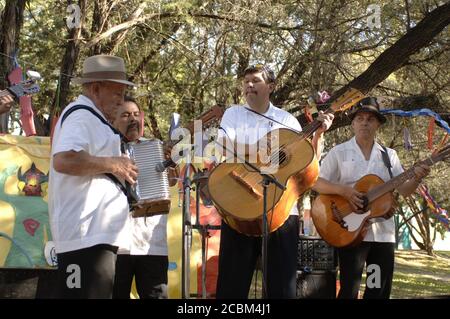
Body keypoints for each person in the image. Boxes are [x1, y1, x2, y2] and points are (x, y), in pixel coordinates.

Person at [215, 64, 334, 299]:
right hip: (240, 204)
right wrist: (260, 150)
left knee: (282, 289)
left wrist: (318, 134)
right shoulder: (233, 114)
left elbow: (308, 167)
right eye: (246, 80)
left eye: (255, 80)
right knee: (231, 286)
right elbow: (222, 148)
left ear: (270, 87)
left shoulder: (287, 119)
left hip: (281, 212)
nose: (249, 85)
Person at [313, 97, 430, 299]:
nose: (365, 122)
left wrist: (417, 177)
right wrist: (344, 191)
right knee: (349, 289)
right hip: (349, 231)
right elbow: (316, 182)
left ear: (377, 124)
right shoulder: (338, 152)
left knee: (377, 290)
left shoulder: (389, 155)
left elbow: (404, 190)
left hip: (382, 235)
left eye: (370, 119)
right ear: (353, 123)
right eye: (360, 118)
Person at [49, 55, 138, 298]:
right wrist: (114, 164)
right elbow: (64, 159)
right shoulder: (81, 116)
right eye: (117, 93)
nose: (121, 101)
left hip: (95, 236)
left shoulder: (95, 119)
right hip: (84, 237)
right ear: (96, 89)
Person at [112, 96, 178, 299]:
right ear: (112, 120)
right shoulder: (106, 150)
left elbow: (170, 182)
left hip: (151, 242)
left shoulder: (155, 147)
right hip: (116, 243)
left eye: (135, 114)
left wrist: (170, 174)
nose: (133, 119)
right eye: (125, 115)